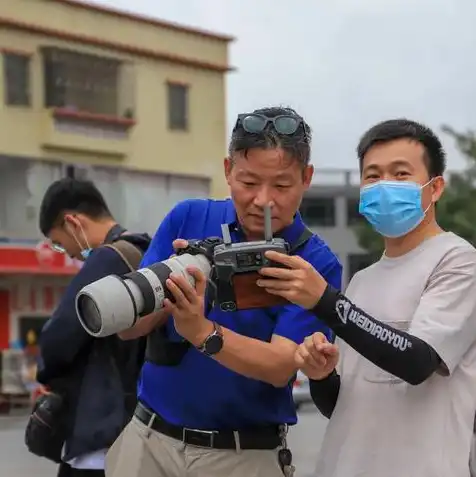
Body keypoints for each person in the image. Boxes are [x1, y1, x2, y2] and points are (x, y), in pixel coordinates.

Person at [105, 106, 342, 477]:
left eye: (281, 185)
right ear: (228, 170)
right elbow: (131, 326)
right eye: (248, 183)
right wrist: (176, 285)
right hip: (147, 440)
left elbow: (281, 367)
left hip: (242, 455)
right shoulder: (188, 216)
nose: (263, 200)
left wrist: (201, 332)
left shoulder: (314, 262)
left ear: (306, 177)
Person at [256, 118, 476, 477]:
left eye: (400, 174)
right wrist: (321, 374)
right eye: (373, 176)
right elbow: (338, 407)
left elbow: (419, 362)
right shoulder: (362, 280)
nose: (384, 184)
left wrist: (326, 301)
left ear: (434, 189)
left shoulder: (458, 261)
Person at [35, 178, 151, 477]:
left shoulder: (107, 259)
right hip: (141, 425)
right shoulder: (146, 253)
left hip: (102, 430)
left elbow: (58, 338)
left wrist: (46, 371)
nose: (69, 253)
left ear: (73, 222)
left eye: (60, 243)